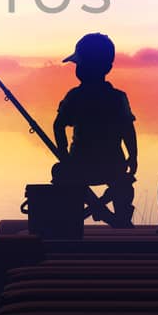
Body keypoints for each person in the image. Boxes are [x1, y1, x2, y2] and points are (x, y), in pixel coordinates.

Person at [50, 32, 139, 226]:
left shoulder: (74, 96)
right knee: (123, 184)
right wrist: (133, 157)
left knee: (60, 173)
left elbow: (58, 125)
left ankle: (82, 217)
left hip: (79, 165)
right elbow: (128, 130)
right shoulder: (118, 98)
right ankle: (115, 217)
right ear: (107, 67)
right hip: (113, 166)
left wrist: (63, 154)